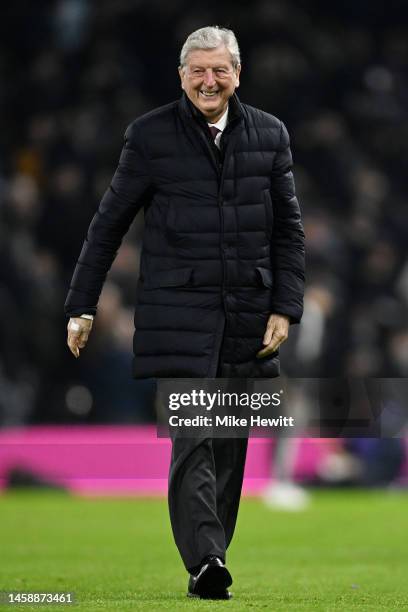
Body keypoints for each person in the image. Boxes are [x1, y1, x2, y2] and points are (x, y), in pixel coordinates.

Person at [65, 26, 305, 599]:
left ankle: (211, 555)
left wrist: (285, 308)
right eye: (197, 70)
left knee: (229, 441)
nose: (208, 80)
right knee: (193, 433)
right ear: (181, 76)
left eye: (219, 69)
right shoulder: (149, 137)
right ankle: (205, 559)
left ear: (237, 74)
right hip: (179, 313)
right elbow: (108, 224)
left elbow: (289, 233)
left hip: (249, 314)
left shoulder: (270, 135)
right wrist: (82, 303)